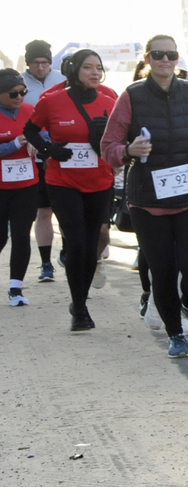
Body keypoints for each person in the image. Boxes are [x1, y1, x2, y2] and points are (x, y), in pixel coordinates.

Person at [102, 34, 188, 357]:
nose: (165, 60)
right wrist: (128, 150)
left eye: (171, 54)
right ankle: (175, 334)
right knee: (162, 270)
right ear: (148, 59)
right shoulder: (131, 96)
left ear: (178, 59)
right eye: (158, 54)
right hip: (148, 200)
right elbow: (108, 148)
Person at [24, 49, 119, 330]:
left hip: (100, 182)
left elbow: (123, 137)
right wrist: (48, 149)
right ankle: (79, 308)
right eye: (88, 67)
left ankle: (80, 299)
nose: (95, 72)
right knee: (76, 242)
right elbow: (30, 130)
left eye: (99, 68)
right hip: (62, 181)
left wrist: (104, 142)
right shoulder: (52, 101)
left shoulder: (109, 101)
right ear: (73, 70)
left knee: (91, 247)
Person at [21, 40, 64, 283]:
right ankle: (46, 264)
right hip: (34, 153)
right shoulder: (18, 83)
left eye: (45, 62)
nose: (41, 67)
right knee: (44, 211)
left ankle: (68, 253)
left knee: (68, 210)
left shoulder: (63, 80)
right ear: (28, 63)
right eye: (36, 63)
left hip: (61, 151)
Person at [0, 69, 40, 306]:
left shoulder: (28, 111)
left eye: (23, 92)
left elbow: (43, 135)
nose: (19, 97)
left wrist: (38, 143)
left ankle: (16, 288)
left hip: (27, 185)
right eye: (13, 93)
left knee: (22, 236)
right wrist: (15, 143)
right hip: (1, 187)